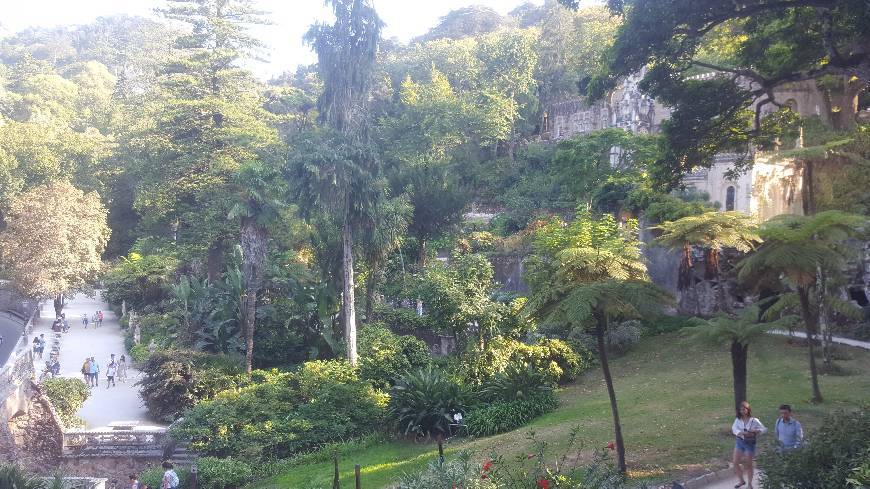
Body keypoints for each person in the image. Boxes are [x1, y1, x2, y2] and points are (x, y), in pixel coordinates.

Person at [731, 401, 766, 489]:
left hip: (750, 444)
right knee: (735, 462)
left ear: (748, 410)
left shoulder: (754, 420)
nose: (742, 411)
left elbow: (764, 429)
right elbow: (734, 429)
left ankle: (750, 484)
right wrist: (741, 433)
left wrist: (756, 431)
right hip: (740, 442)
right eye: (741, 410)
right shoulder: (738, 419)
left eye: (744, 409)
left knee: (749, 464)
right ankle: (741, 480)